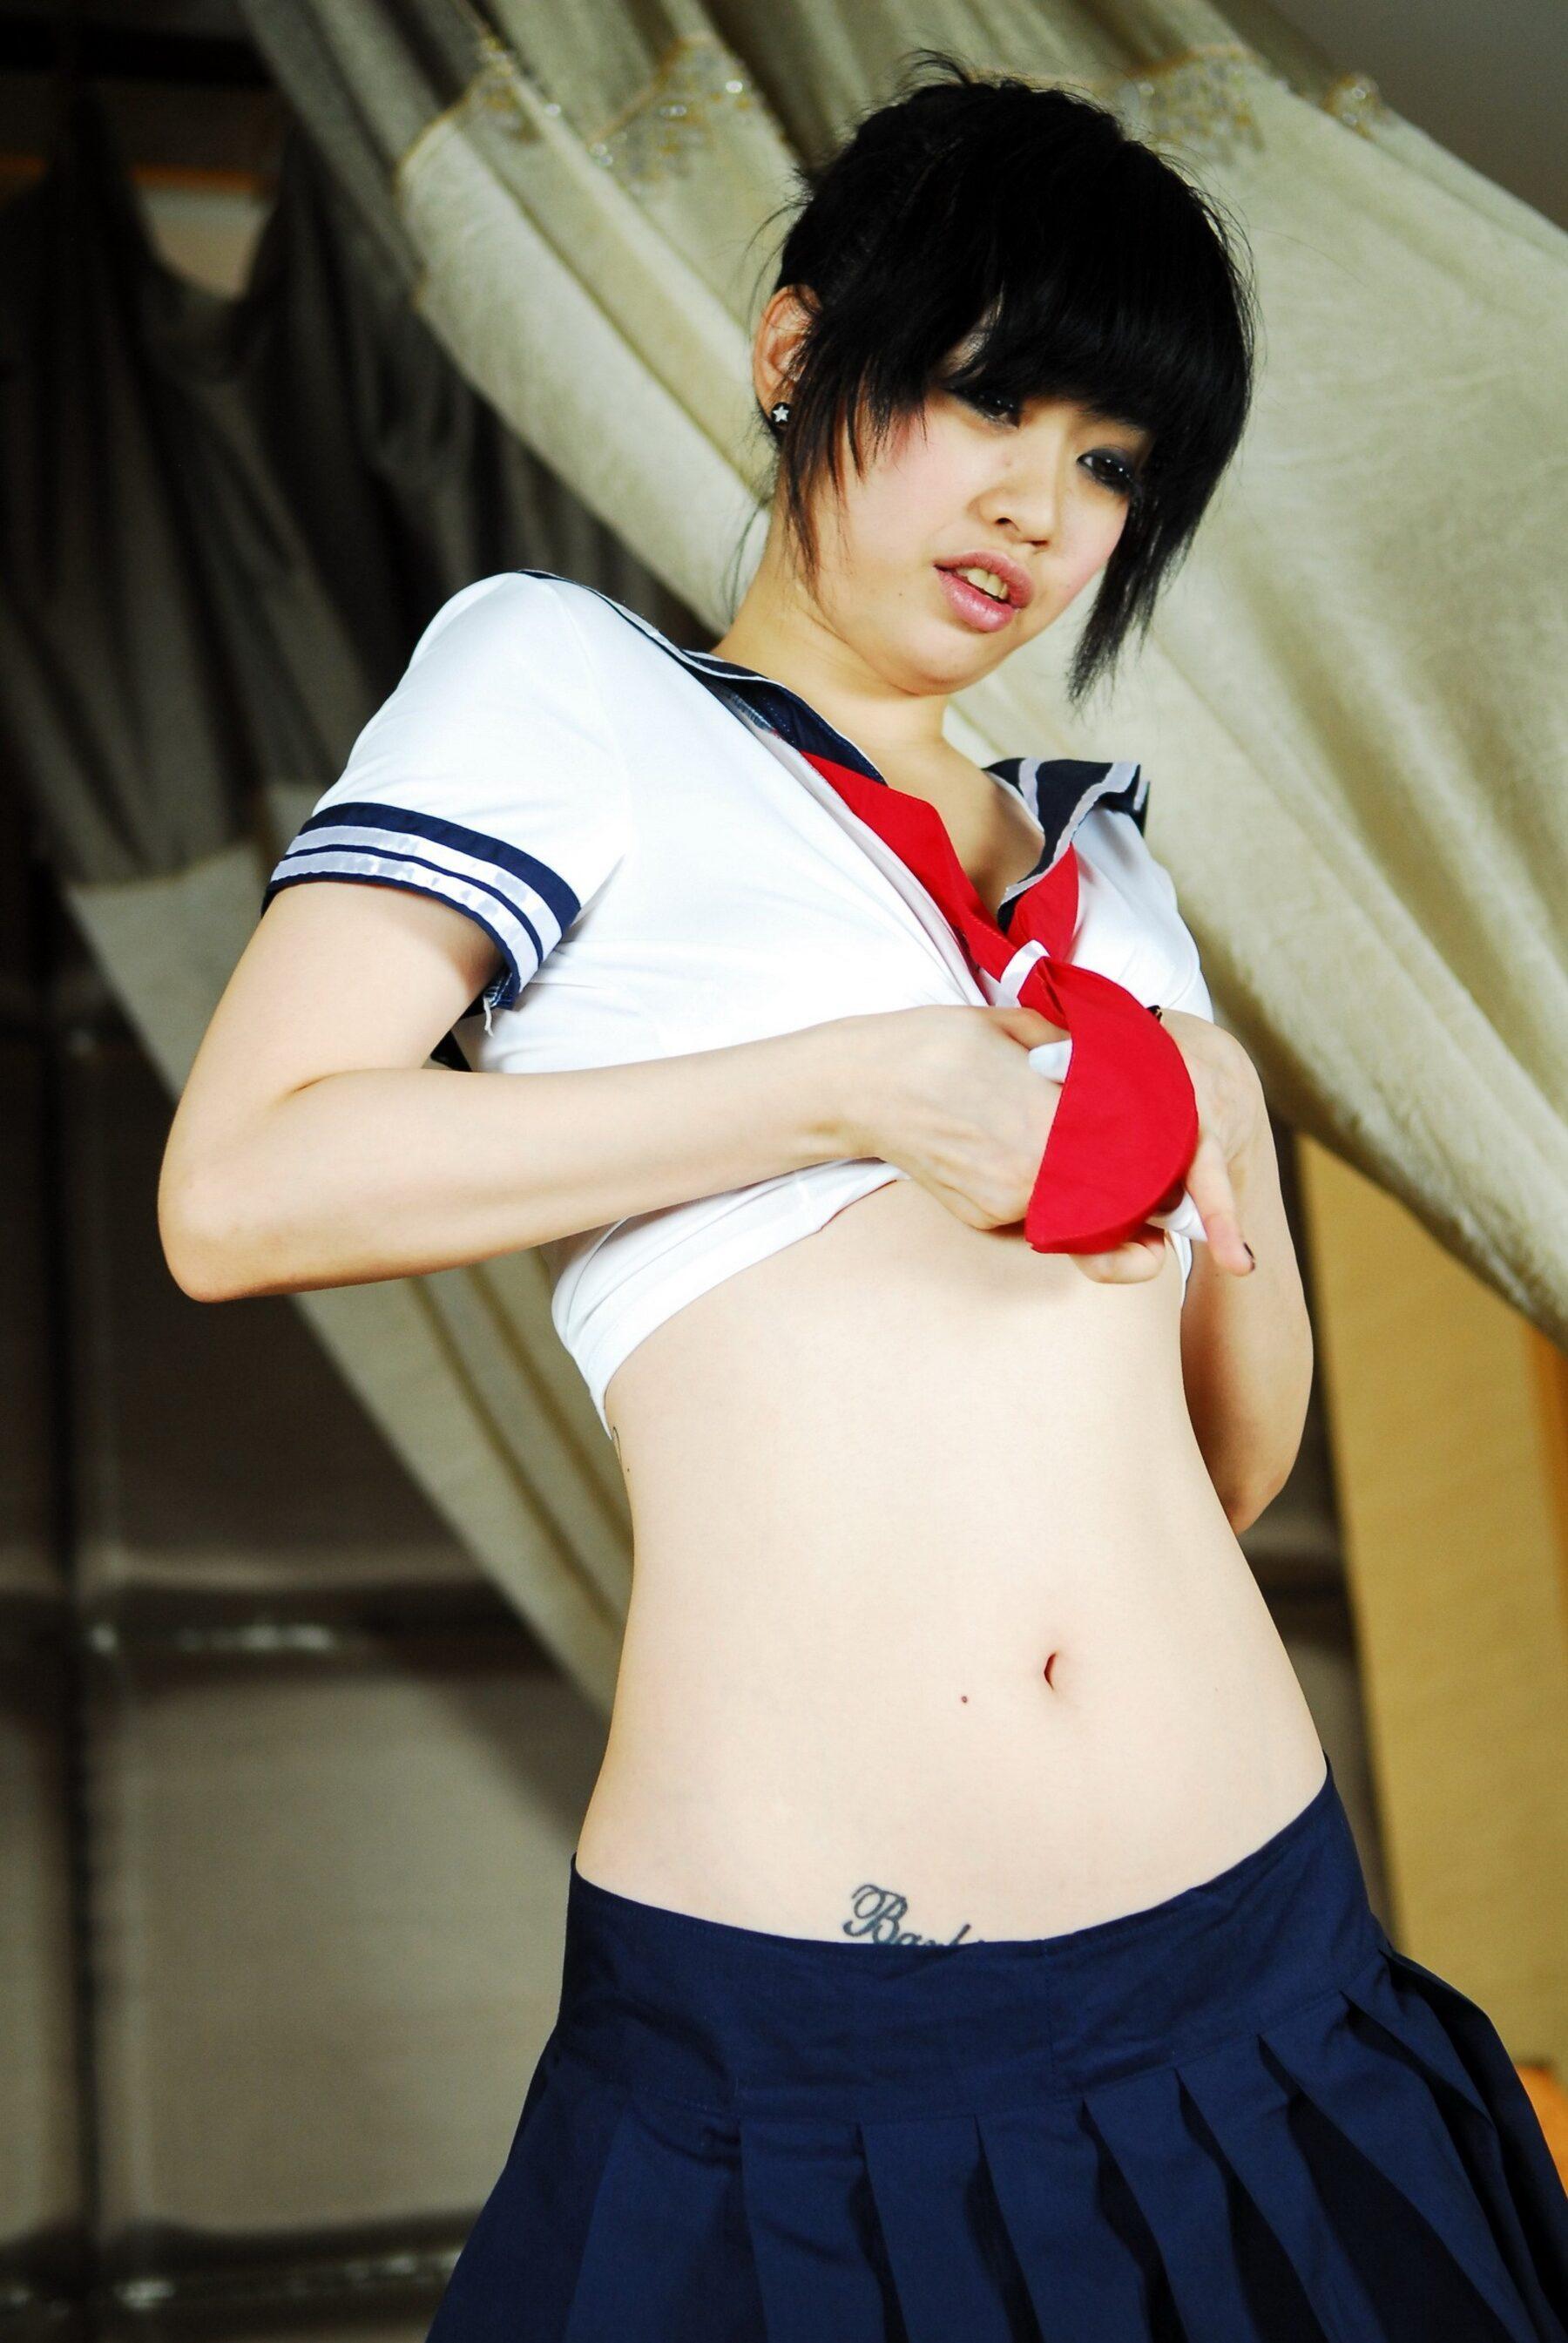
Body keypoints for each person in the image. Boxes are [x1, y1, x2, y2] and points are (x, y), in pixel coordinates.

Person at [159, 51, 1568, 2343]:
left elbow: (1218, 1466)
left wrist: (1218, 1118)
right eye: (990, 397)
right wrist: (852, 1091)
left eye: (1110, 464)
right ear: (797, 351)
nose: (1039, 503)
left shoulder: (1109, 863)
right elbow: (238, 1188)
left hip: (1274, 1956)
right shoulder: (570, 688)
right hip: (826, 2055)